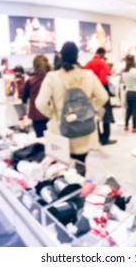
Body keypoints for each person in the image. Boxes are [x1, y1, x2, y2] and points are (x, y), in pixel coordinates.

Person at [35, 42, 108, 175]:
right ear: (77, 56)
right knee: (81, 167)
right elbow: (103, 97)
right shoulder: (88, 74)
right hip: (84, 131)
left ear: (61, 56)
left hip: (61, 133)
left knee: (62, 171)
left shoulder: (52, 77)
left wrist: (53, 114)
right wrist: (90, 109)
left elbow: (40, 103)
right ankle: (81, 190)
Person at [84, 47, 117, 145]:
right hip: (101, 92)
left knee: (96, 116)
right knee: (106, 116)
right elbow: (103, 79)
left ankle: (98, 137)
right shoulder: (103, 63)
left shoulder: (88, 63)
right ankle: (105, 138)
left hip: (91, 93)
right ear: (103, 54)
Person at [22, 55, 51, 138]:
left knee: (40, 140)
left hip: (37, 116)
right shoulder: (50, 78)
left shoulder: (30, 81)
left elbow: (24, 98)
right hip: (50, 114)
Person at [12, 65, 29, 130]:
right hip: (20, 97)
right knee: (23, 113)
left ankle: (23, 127)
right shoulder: (14, 78)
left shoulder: (25, 77)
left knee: (22, 113)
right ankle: (24, 127)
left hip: (19, 97)